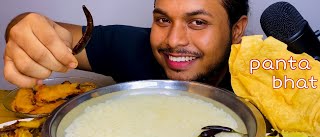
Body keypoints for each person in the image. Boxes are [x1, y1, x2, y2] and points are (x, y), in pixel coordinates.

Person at [3, 0, 248, 91]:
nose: (173, 41)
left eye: (197, 22)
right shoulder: (126, 45)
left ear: (236, 30)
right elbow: (39, 31)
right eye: (163, 19)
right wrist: (24, 29)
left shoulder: (270, 69)